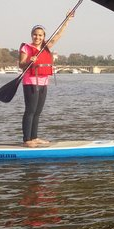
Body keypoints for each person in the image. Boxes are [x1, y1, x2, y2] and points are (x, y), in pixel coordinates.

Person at [19, 15, 74, 147]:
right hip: (31, 82)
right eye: (35, 35)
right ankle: (27, 140)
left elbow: (58, 36)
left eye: (40, 35)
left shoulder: (46, 47)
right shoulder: (26, 48)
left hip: (43, 83)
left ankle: (34, 137)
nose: (37, 37)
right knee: (30, 110)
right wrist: (28, 61)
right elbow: (21, 64)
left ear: (43, 36)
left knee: (38, 111)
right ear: (32, 35)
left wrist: (67, 20)